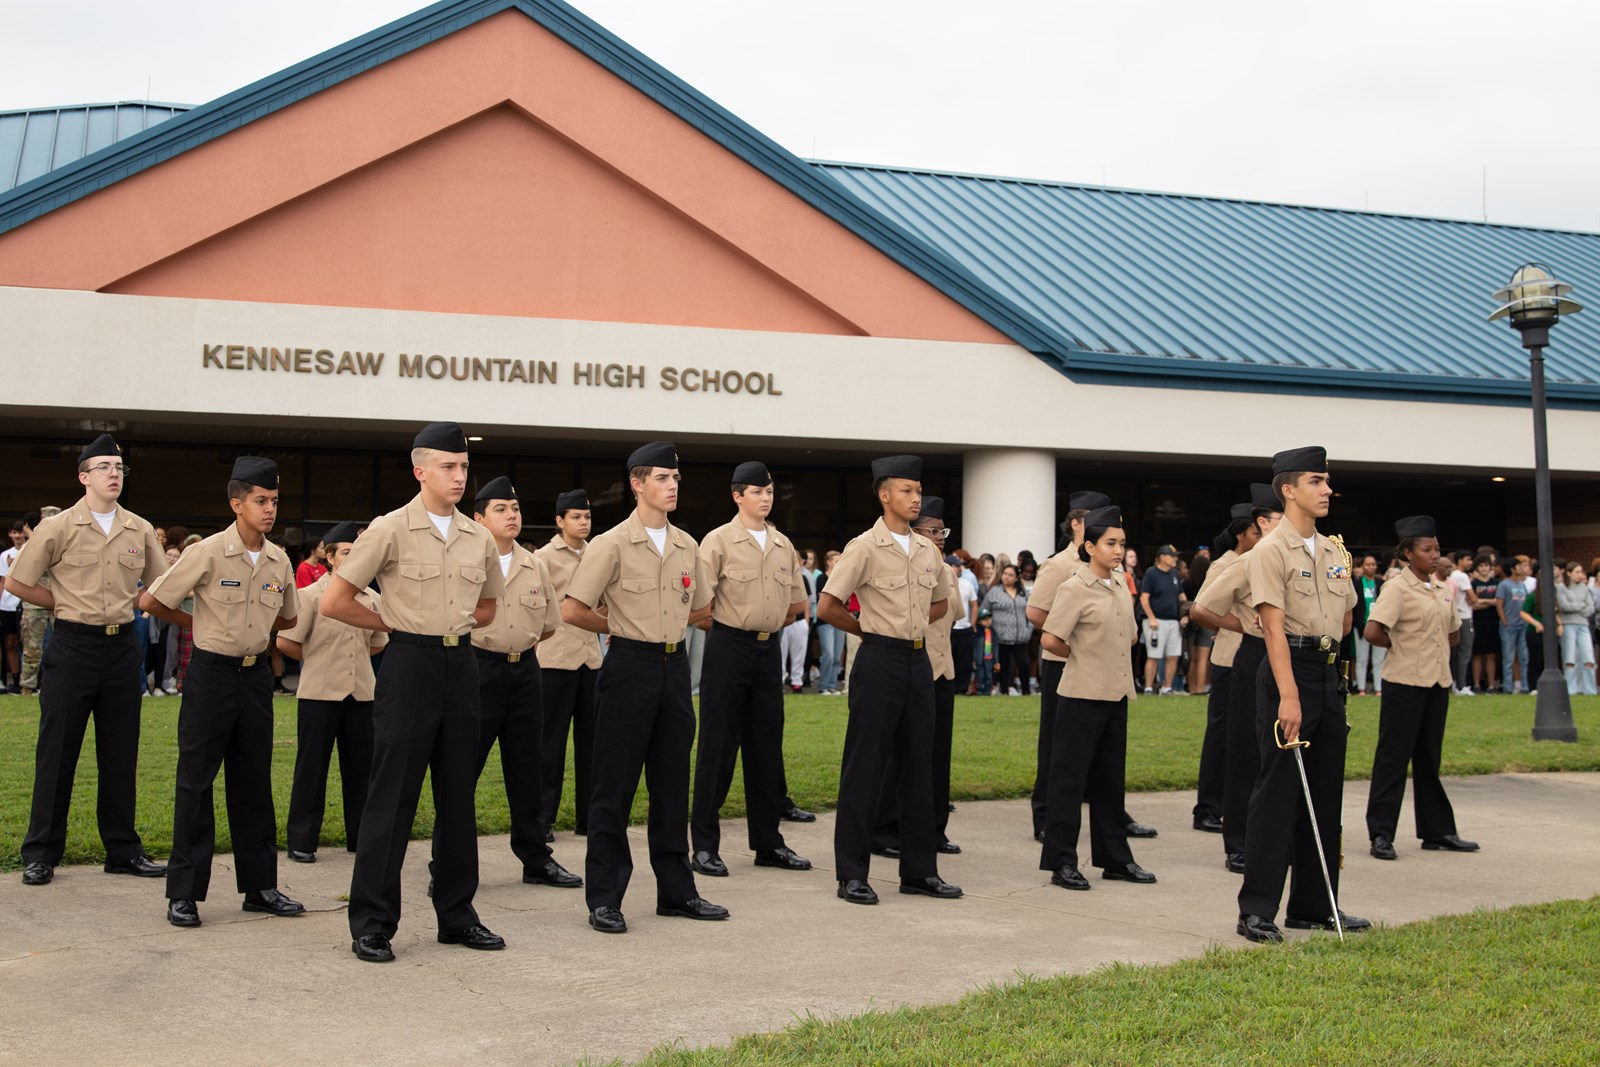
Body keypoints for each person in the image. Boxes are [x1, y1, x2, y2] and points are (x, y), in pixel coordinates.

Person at [321, 422, 507, 962]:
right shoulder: (390, 529)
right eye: (448, 467)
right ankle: (373, 922)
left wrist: (454, 627)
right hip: (408, 665)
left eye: (464, 467)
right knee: (392, 797)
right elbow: (335, 600)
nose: (458, 476)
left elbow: (490, 606)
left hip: (461, 665)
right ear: (419, 470)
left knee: (458, 796)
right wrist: (395, 629)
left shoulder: (478, 537)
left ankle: (458, 915)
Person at [562, 441, 726, 934]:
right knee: (614, 786)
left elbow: (699, 607)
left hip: (674, 669)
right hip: (628, 666)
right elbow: (572, 609)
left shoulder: (687, 544)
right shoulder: (610, 543)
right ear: (637, 484)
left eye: (676, 479)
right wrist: (617, 625)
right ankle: (605, 897)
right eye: (661, 478)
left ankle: (677, 892)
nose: (672, 486)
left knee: (673, 785)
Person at [140, 456, 304, 928]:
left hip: (255, 678)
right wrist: (200, 622)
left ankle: (260, 886)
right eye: (260, 501)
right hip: (211, 675)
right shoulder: (207, 552)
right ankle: (185, 892)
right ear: (237, 504)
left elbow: (290, 617)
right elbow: (152, 601)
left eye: (274, 501)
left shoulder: (278, 558)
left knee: (253, 782)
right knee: (196, 781)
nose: (269, 509)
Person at [7, 435, 168, 886]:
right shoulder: (58, 528)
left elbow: (159, 586)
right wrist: (61, 601)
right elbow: (18, 583)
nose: (114, 474)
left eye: (119, 468)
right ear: (83, 476)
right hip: (72, 647)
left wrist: (134, 602)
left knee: (120, 752)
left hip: (121, 649)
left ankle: (122, 850)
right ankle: (40, 852)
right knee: (56, 752)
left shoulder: (138, 528)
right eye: (103, 467)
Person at [815, 455, 961, 907]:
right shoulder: (864, 547)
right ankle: (852, 874)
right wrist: (868, 629)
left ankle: (919, 872)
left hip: (919, 663)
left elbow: (941, 603)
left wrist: (912, 624)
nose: (915, 498)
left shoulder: (926, 550)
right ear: (884, 495)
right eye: (906, 491)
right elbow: (828, 605)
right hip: (879, 661)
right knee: (865, 768)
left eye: (918, 491)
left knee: (919, 768)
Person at [1236, 445, 1368, 944]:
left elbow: (1347, 613)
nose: (1327, 489)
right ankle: (1256, 909)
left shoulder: (1335, 551)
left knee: (1325, 795)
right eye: (1317, 481)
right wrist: (1289, 698)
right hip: (1288, 675)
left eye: (1327, 481)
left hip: (1328, 675)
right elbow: (1271, 630)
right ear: (1289, 490)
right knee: (1277, 793)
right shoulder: (1270, 550)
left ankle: (1314, 906)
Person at [687, 460, 812, 879]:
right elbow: (698, 606)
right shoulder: (718, 541)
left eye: (770, 492)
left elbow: (797, 604)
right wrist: (731, 627)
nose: (765, 498)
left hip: (767, 650)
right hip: (727, 647)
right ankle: (704, 845)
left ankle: (768, 842)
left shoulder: (781, 544)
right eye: (757, 492)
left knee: (765, 748)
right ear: (737, 495)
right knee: (717, 748)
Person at [465, 476, 581, 890]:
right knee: (462, 770)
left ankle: (535, 857)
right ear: (478, 518)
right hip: (478, 670)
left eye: (514, 509)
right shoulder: (466, 561)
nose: (511, 515)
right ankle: (449, 861)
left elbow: (549, 625)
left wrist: (518, 647)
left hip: (526, 671)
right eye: (501, 509)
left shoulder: (535, 564)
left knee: (528, 768)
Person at [1026, 491, 1156, 844]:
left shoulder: (1115, 579)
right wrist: (1080, 650)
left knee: (1106, 763)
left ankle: (1112, 835)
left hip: (1109, 677)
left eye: (1120, 541)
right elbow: (1039, 616)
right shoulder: (1060, 567)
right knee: (1058, 751)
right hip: (1066, 666)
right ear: (1079, 528)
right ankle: (1047, 818)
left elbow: (1128, 633)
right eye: (1109, 540)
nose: (1116, 547)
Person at [1363, 515, 1479, 862]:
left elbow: (1454, 631)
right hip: (1404, 683)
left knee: (1430, 758)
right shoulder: (1396, 588)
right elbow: (1373, 631)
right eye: (1427, 549)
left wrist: (1435, 647)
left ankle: (1437, 831)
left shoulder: (1442, 588)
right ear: (1407, 554)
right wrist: (1404, 647)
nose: (1435, 555)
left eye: (1437, 549)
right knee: (1393, 759)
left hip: (1437, 682)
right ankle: (1381, 833)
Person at [276, 520, 384, 863]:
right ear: (330, 557)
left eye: (358, 553)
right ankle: (302, 840)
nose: (353, 559)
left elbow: (379, 642)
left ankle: (360, 837)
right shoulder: (311, 596)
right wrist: (321, 660)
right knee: (312, 768)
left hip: (361, 693)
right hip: (319, 695)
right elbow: (286, 642)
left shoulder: (372, 598)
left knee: (361, 769)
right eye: (347, 553)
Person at [1191, 483, 1282, 873]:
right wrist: (1245, 626)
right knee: (1230, 740)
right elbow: (1204, 608)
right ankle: (1214, 811)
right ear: (1253, 528)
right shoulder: (1231, 563)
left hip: (1280, 659)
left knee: (1268, 748)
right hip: (1237, 658)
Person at [870, 497, 962, 857]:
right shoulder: (901, 565)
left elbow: (948, 616)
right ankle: (885, 828)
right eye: (932, 531)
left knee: (937, 755)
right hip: (907, 666)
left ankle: (934, 829)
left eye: (943, 531)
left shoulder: (947, 572)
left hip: (941, 671)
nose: (940, 537)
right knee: (900, 755)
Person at [535, 489, 603, 839]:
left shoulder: (600, 553)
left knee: (592, 744)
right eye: (576, 517)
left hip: (591, 660)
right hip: (555, 659)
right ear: (560, 521)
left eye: (587, 517)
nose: (583, 523)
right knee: (550, 744)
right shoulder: (544, 558)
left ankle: (588, 819)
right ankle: (543, 818)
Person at [17, 508, 60, 695]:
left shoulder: (67, 541)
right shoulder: (33, 544)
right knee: (32, 647)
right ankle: (27, 686)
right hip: (35, 603)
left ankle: (59, 684)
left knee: (63, 647)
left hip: (61, 601)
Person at [1139, 545, 1186, 695]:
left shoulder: (1174, 575)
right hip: (1156, 620)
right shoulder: (1151, 573)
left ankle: (1167, 687)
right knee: (1154, 655)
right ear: (1162, 557)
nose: (1175, 559)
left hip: (1173, 620)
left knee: (1172, 655)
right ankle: (1148, 687)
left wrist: (1185, 611)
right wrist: (1151, 617)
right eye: (1172, 556)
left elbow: (1181, 597)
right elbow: (1144, 597)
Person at [981, 564, 1031, 695]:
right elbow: (984, 610)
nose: (1007, 577)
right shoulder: (994, 591)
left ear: (1016, 578)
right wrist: (988, 625)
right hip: (1000, 637)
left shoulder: (1022, 592)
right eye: (1005, 574)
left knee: (1024, 664)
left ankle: (1026, 691)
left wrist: (1028, 629)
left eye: (1010, 575)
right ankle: (1004, 691)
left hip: (1021, 637)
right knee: (1003, 666)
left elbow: (1030, 612)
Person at [1555, 561, 1596, 695]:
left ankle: (1590, 690)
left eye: (1581, 572)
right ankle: (1570, 690)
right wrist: (1580, 606)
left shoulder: (1584, 588)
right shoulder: (1562, 587)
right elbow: (1564, 605)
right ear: (1569, 573)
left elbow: (1591, 606)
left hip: (1583, 625)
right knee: (1570, 659)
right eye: (1577, 572)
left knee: (1588, 658)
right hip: (1569, 625)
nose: (1580, 575)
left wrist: (1580, 608)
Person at [1496, 556, 1532, 693]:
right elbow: (1499, 605)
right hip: (1509, 626)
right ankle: (1507, 687)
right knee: (1508, 657)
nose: (1522, 568)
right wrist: (1505, 621)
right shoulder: (1504, 585)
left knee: (1524, 657)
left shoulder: (1522, 585)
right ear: (1512, 569)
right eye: (1519, 566)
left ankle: (1525, 686)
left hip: (1523, 625)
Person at [1351, 556, 1386, 696]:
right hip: (1361, 626)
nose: (1371, 567)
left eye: (1373, 564)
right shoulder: (1357, 584)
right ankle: (1361, 688)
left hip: (1378, 625)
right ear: (1363, 566)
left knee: (1379, 659)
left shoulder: (1381, 583)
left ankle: (1378, 688)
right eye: (1368, 564)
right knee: (1361, 659)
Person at [814, 549, 846, 695]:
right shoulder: (821, 578)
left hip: (839, 621)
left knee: (837, 655)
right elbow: (824, 601)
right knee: (828, 655)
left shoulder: (843, 579)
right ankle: (823, 686)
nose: (840, 563)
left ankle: (832, 686)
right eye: (836, 560)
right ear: (828, 562)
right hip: (825, 622)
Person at [1445, 550, 1477, 695]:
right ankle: (1461, 685)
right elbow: (1473, 598)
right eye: (1467, 559)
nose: (1470, 563)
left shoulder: (1452, 577)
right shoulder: (1462, 576)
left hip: (1454, 617)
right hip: (1465, 617)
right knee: (1465, 651)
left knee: (1455, 653)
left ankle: (1455, 683)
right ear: (1459, 561)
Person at [1468, 554, 1502, 692]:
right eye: (1481, 566)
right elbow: (1472, 604)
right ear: (1476, 568)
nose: (1484, 568)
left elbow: (1499, 602)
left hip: (1493, 622)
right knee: (1477, 654)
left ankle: (1491, 684)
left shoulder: (1497, 582)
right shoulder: (1473, 584)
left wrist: (1481, 600)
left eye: (1486, 565)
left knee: (1492, 655)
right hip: (1477, 622)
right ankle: (1476, 684)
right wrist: (1491, 602)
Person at [947, 552, 977, 696]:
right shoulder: (943, 582)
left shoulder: (967, 584)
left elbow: (974, 604)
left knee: (964, 661)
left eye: (959, 566)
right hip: (949, 629)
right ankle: (950, 687)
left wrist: (972, 624)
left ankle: (962, 687)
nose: (959, 569)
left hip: (965, 628)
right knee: (949, 659)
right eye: (956, 566)